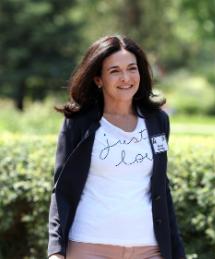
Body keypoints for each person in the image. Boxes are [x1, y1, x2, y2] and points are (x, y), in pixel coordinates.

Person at [47, 35, 186, 259]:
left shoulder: (157, 121)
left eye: (132, 68)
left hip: (150, 249)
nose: (126, 78)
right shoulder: (79, 122)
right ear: (98, 79)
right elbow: (61, 189)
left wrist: (178, 252)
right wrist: (56, 250)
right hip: (89, 246)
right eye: (114, 71)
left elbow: (162, 188)